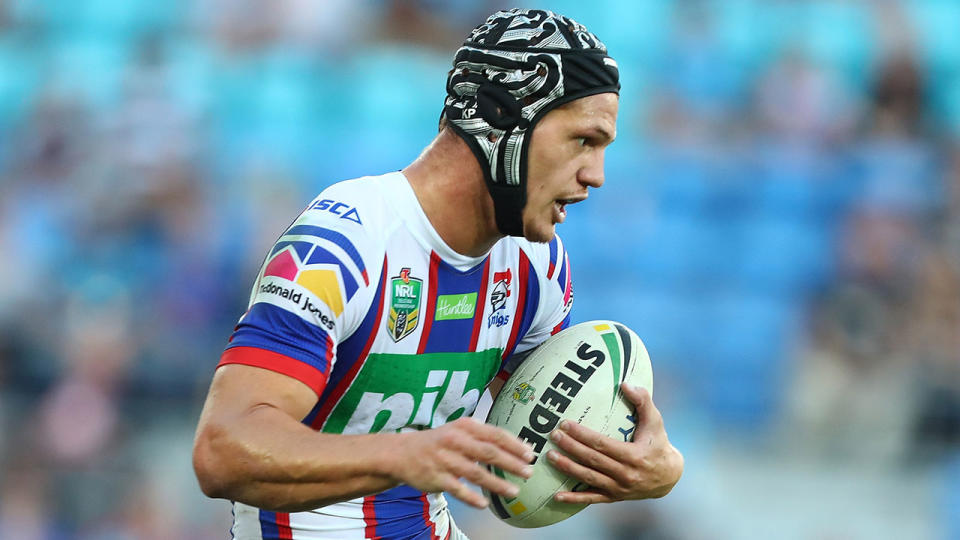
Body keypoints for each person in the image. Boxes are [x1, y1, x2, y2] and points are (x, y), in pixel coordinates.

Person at [193, 9, 683, 540]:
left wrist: (654, 465)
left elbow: (536, 428)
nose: (597, 175)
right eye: (584, 141)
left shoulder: (535, 264)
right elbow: (222, 452)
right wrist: (401, 453)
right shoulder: (343, 243)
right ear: (505, 118)